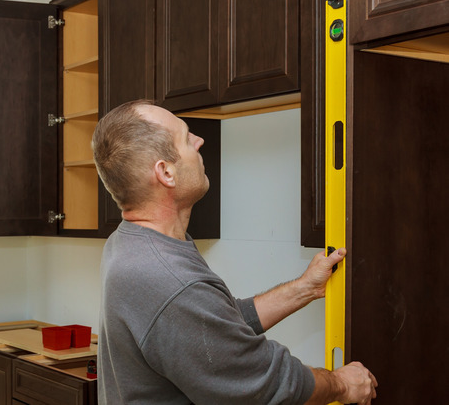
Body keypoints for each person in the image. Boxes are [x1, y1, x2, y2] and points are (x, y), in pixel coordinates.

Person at [91, 99, 377, 404]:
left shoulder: (130, 243)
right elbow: (264, 385)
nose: (200, 141)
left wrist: (304, 288)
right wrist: (342, 384)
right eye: (187, 138)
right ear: (166, 173)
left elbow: (214, 327)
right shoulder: (169, 279)